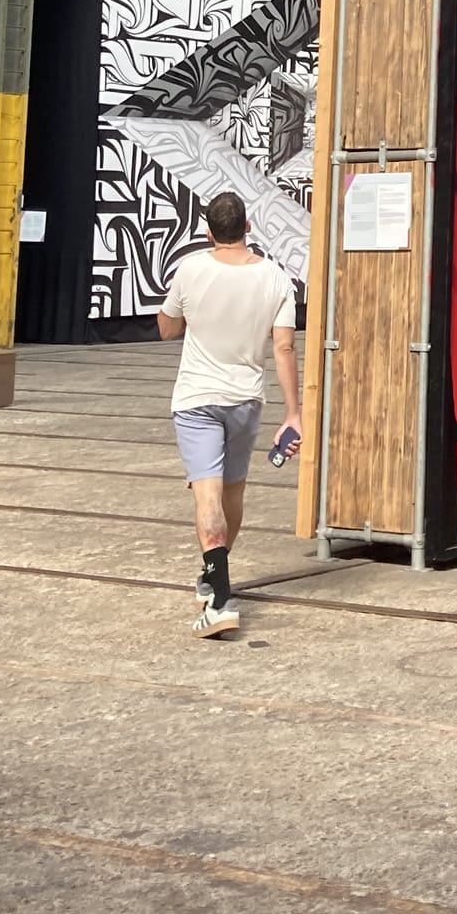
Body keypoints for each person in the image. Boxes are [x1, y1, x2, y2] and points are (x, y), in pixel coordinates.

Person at [157, 192, 300, 639]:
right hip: (246, 400)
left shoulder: (191, 269)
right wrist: (293, 413)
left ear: (207, 231)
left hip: (197, 398)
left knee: (207, 496)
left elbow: (167, 328)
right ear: (247, 227)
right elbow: (284, 346)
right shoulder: (275, 277)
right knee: (232, 493)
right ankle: (213, 576)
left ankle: (219, 602)